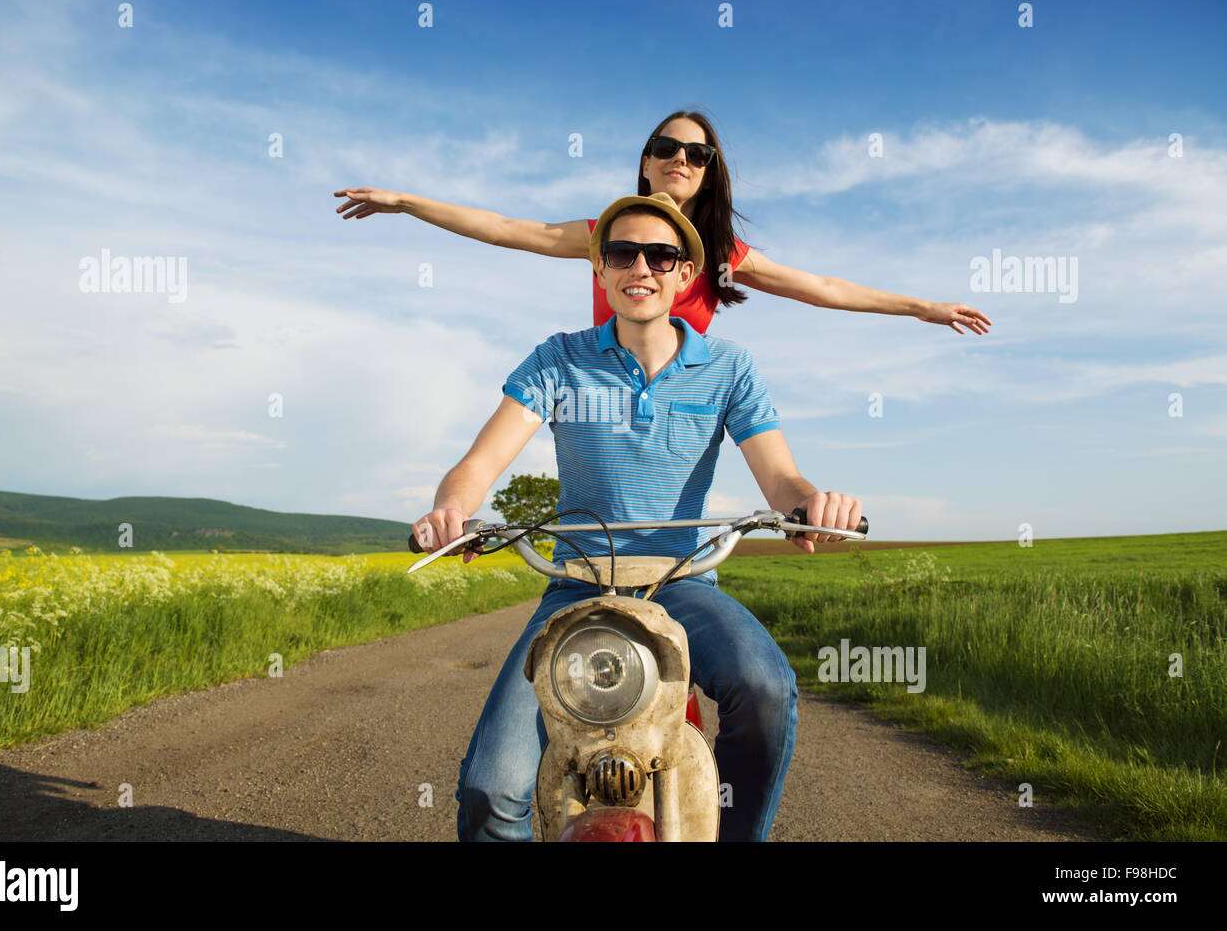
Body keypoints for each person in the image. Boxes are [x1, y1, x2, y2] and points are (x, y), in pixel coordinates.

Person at [411, 192, 863, 841]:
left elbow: (782, 477)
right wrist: (453, 508)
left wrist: (811, 505)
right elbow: (479, 462)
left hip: (684, 582)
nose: (641, 266)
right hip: (577, 583)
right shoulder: (558, 359)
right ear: (600, 270)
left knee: (764, 688)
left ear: (685, 274)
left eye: (661, 254)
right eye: (623, 252)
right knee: (492, 787)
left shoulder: (728, 367)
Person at [336, 109, 991, 336]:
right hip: (604, 396)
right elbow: (508, 227)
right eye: (668, 148)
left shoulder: (722, 251)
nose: (682, 159)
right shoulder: (605, 232)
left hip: (684, 406)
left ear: (708, 171)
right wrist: (408, 201)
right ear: (646, 163)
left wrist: (920, 306)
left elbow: (824, 286)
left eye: (697, 154)